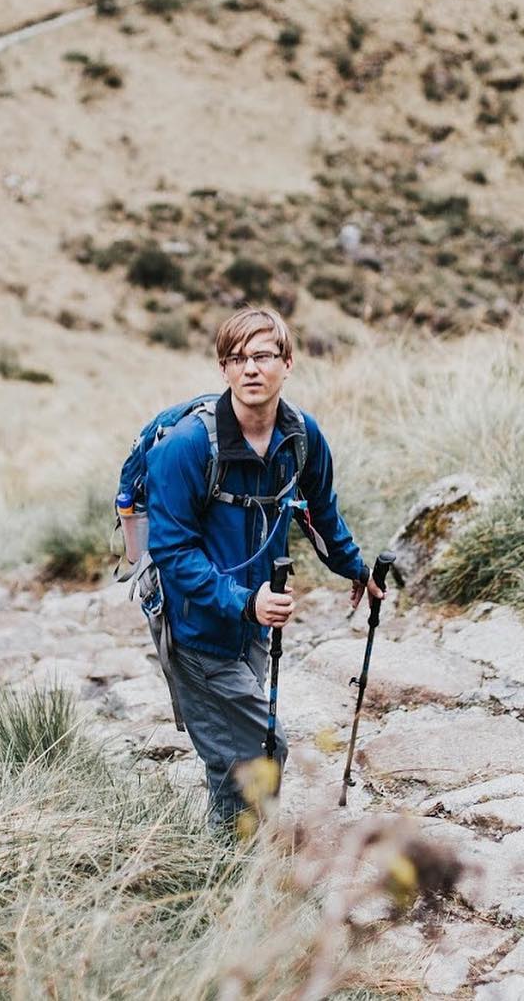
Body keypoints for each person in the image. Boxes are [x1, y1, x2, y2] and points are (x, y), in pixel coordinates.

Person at [145, 306, 385, 831]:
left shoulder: (301, 437)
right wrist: (244, 601)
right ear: (224, 371)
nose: (250, 369)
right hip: (197, 629)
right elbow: (172, 552)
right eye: (236, 358)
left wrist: (354, 568)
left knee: (234, 760)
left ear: (288, 363)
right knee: (260, 751)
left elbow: (321, 512)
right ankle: (227, 874)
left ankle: (226, 870)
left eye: (262, 356)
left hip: (254, 625)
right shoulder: (187, 448)